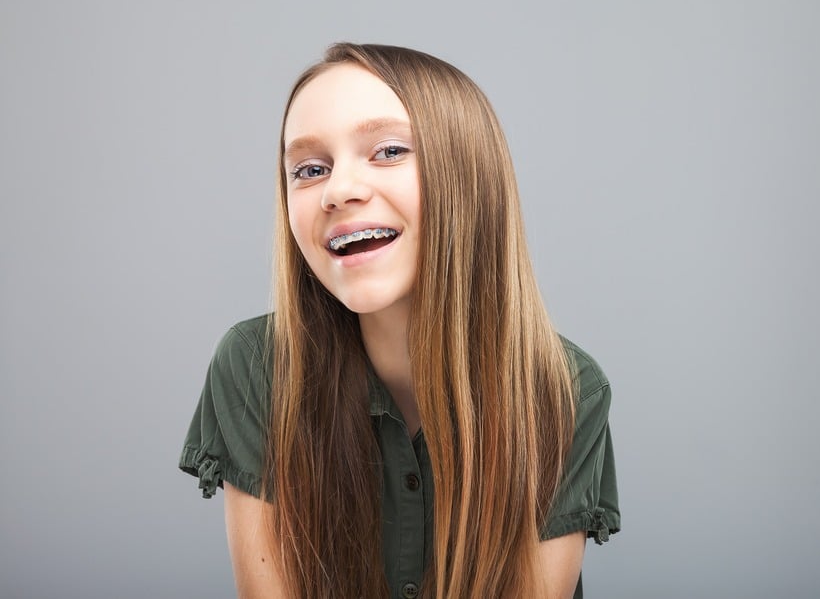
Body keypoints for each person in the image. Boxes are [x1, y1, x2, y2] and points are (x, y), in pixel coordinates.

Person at [179, 43, 619, 599]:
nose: (338, 191)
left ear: (467, 178)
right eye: (309, 169)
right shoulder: (256, 367)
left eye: (387, 151)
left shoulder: (563, 390)